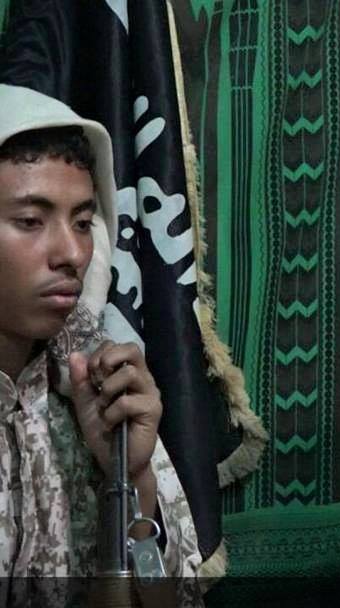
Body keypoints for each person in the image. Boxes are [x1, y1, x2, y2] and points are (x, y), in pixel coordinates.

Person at [0, 84, 201, 600]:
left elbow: (164, 598)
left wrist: (131, 480)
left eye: (84, 222)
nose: (72, 253)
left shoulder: (98, 390)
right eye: (30, 221)